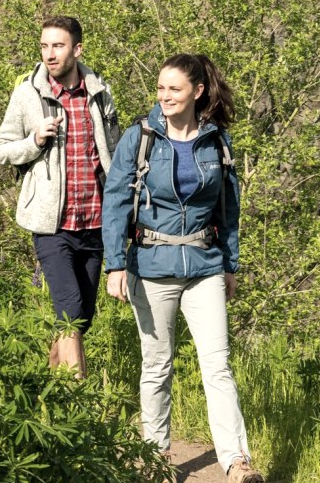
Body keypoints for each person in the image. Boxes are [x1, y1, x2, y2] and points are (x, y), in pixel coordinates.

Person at [102, 53, 264, 483]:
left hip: (205, 266)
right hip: (150, 266)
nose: (165, 96)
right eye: (160, 88)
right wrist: (115, 265)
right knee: (157, 366)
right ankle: (156, 458)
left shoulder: (217, 142)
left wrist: (230, 264)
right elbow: (115, 202)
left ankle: (235, 462)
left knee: (218, 364)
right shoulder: (141, 138)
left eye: (174, 89)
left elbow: (229, 210)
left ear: (198, 92)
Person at [0, 15, 120, 377]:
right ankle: (80, 397)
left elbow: (116, 152)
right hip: (51, 224)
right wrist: (34, 141)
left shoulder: (100, 93)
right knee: (68, 307)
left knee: (81, 318)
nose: (49, 54)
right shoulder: (27, 94)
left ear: (77, 50)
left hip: (95, 221)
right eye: (45, 45)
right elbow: (1, 149)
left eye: (58, 46)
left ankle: (48, 380)